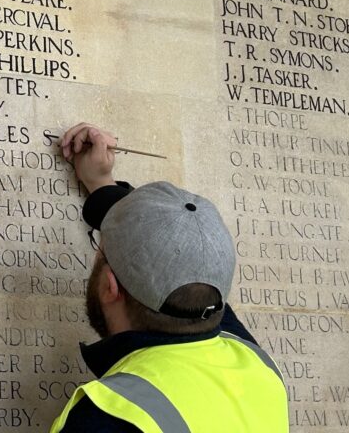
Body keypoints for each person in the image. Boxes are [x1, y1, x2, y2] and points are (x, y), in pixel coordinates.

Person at [50, 123, 290, 433]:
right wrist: (102, 185)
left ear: (110, 287)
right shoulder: (256, 365)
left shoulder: (105, 416)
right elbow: (183, 261)